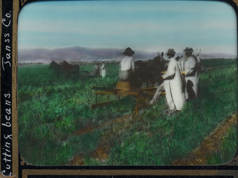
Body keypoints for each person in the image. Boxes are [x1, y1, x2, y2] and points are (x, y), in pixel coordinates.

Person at [150, 48, 185, 113]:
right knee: (171, 94)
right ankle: (173, 108)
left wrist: (163, 77)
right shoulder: (173, 61)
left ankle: (173, 109)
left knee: (170, 94)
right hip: (173, 80)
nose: (168, 56)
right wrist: (165, 75)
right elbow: (170, 72)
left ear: (169, 55)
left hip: (173, 81)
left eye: (168, 55)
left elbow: (171, 74)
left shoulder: (172, 62)